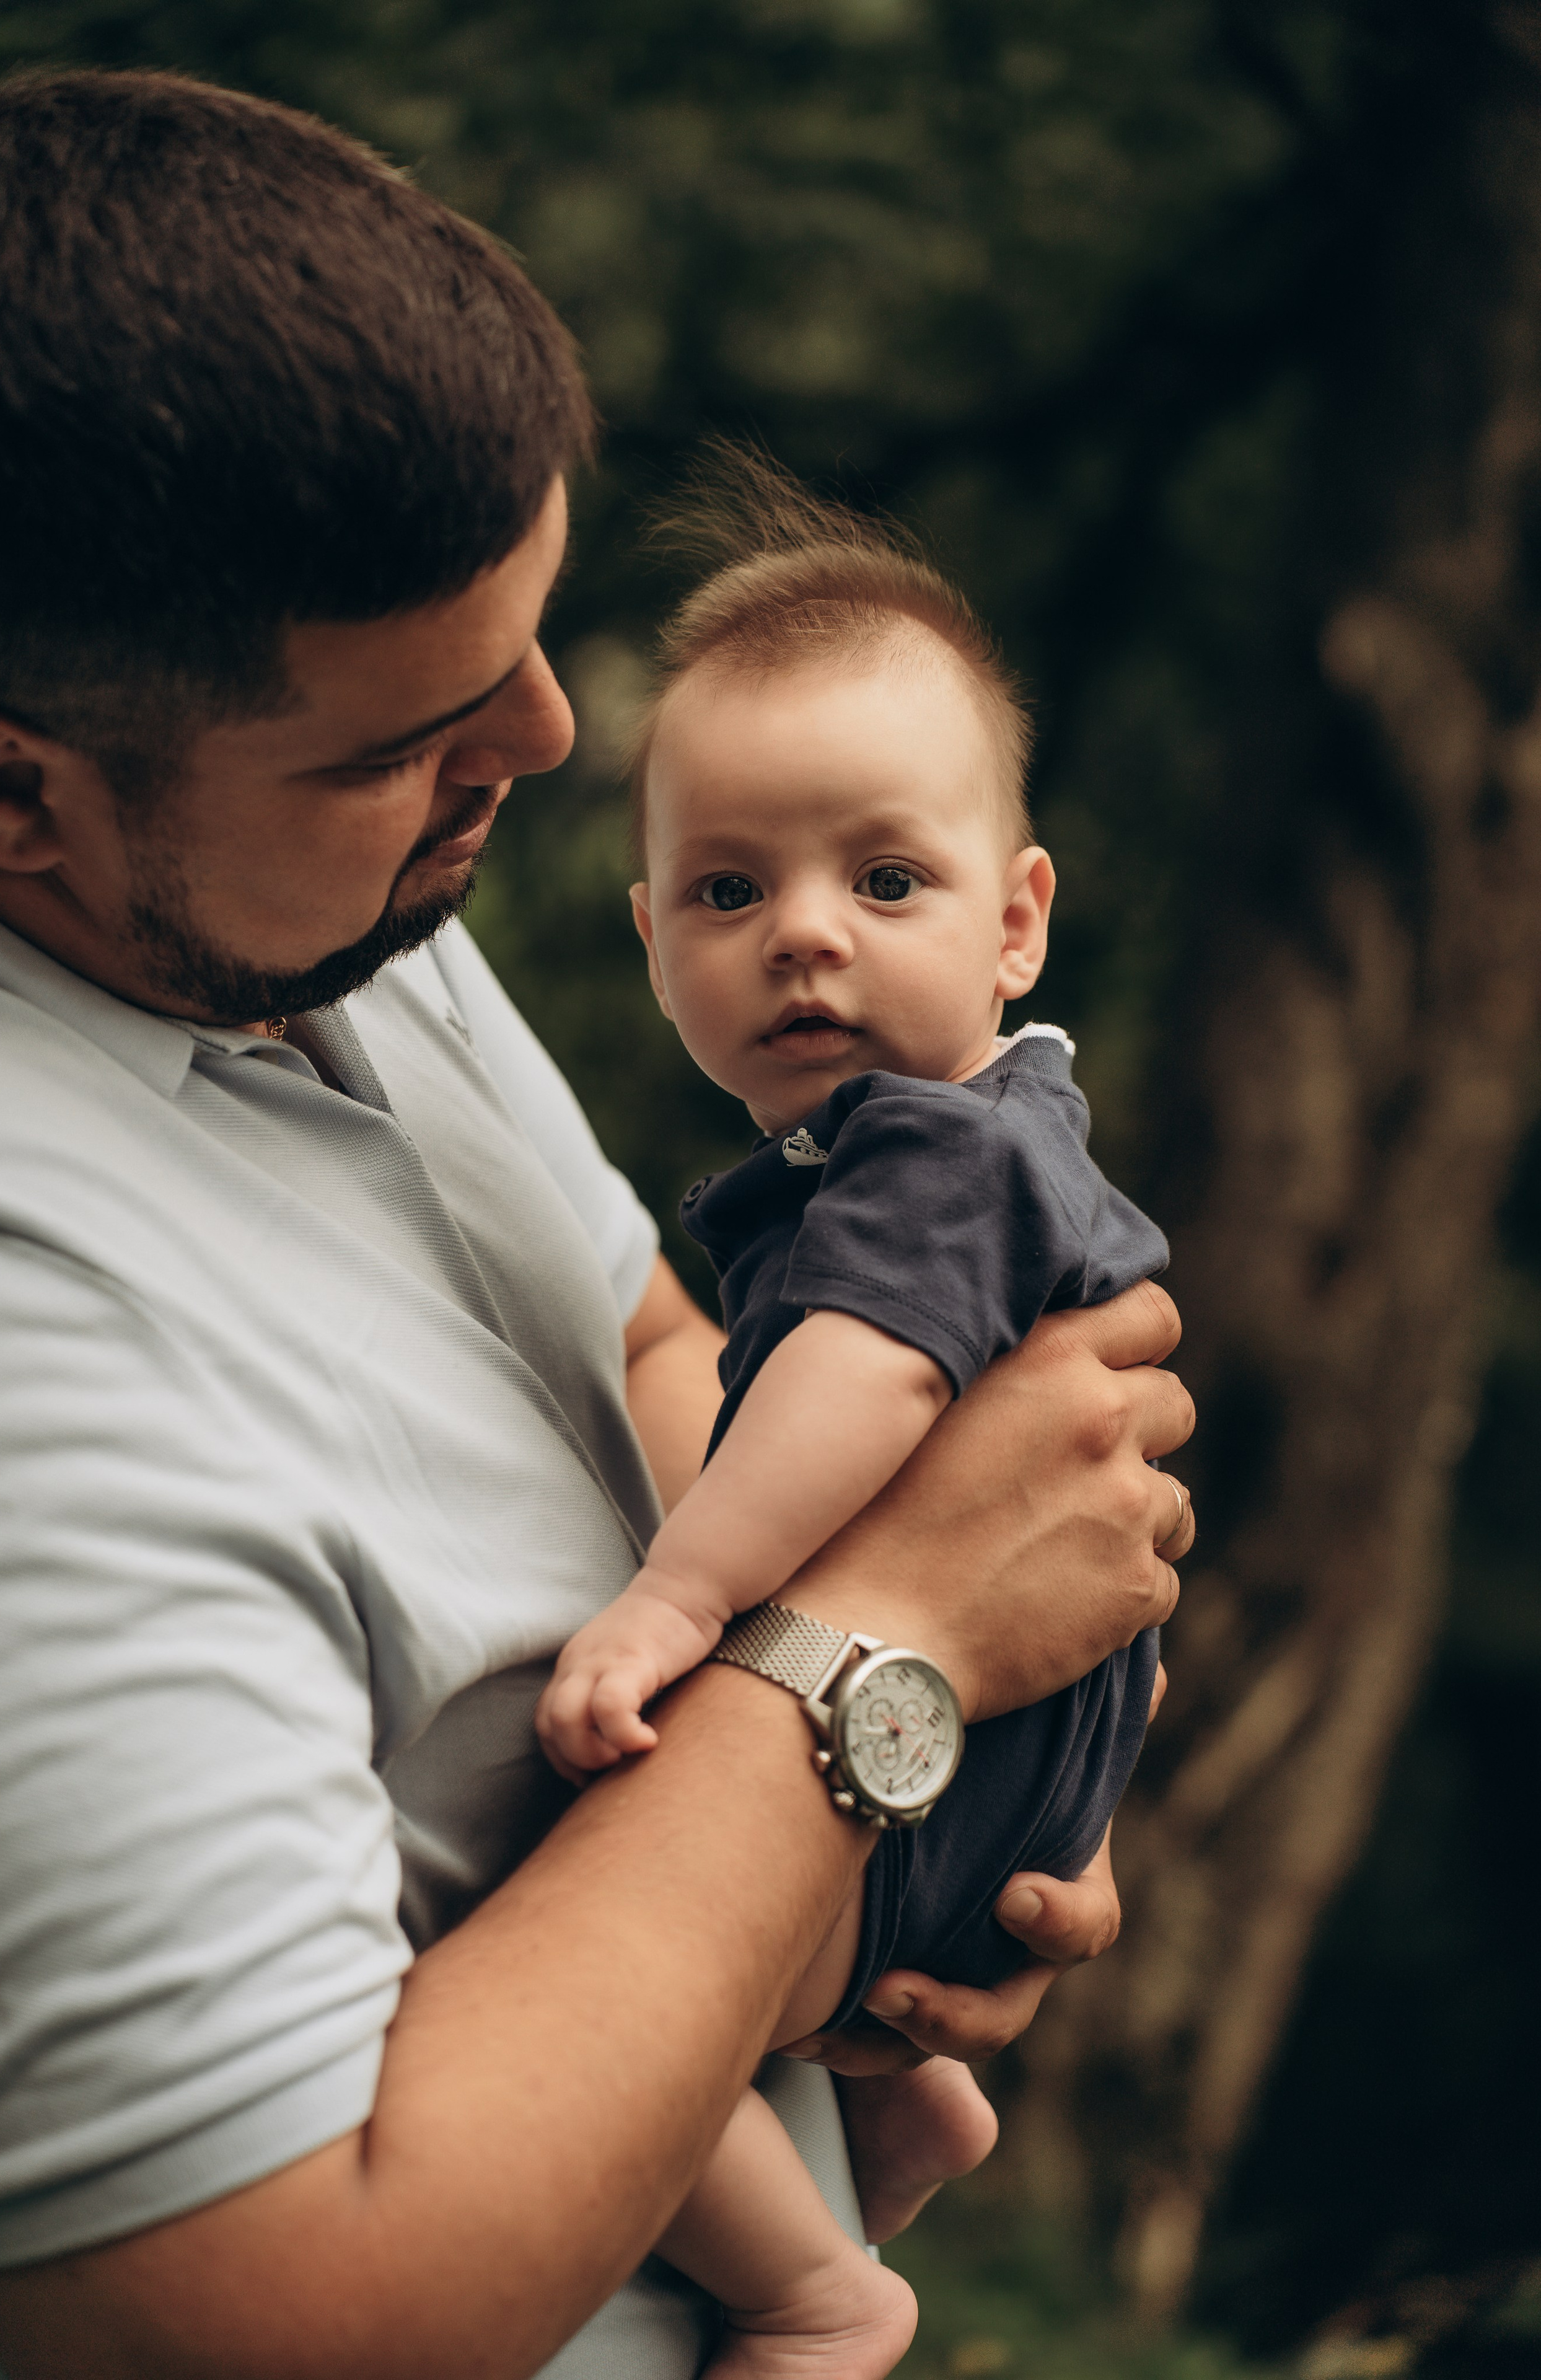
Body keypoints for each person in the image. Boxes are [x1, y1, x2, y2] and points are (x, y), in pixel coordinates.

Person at [0, 69, 1194, 2380]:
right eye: (403, 737)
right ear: (6, 790)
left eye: (523, 640)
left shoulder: (300, 895)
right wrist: (884, 1665)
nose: (534, 742)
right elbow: (274, 2327)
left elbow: (636, 1336)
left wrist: (959, 1754)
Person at [535, 462, 1172, 2374]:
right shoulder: (952, 1143)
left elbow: (870, 1372)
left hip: (941, 1760)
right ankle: (908, 2122)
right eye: (730, 890)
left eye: (885, 881)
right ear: (651, 935)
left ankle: (817, 2297)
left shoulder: (938, 1157)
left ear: (1017, 920)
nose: (803, 934)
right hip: (1006, 1752)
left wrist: (675, 1596)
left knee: (604, 2007)